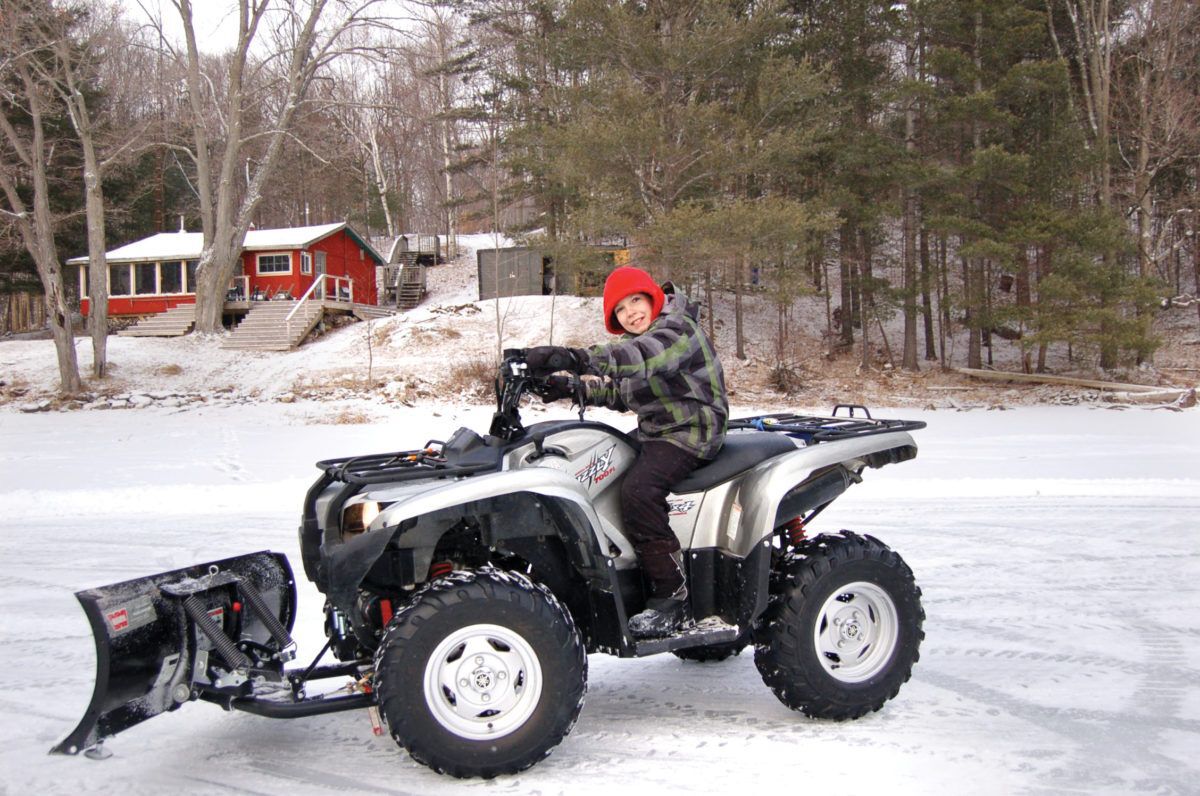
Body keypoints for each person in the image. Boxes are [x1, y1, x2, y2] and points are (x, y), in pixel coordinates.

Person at [522, 266, 729, 638]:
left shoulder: (676, 330)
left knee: (638, 492)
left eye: (635, 300)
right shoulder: (646, 339)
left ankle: (671, 597)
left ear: (652, 297)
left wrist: (574, 357)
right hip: (657, 431)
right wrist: (570, 387)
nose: (631, 312)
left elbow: (641, 357)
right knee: (604, 470)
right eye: (620, 310)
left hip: (693, 430)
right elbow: (624, 392)